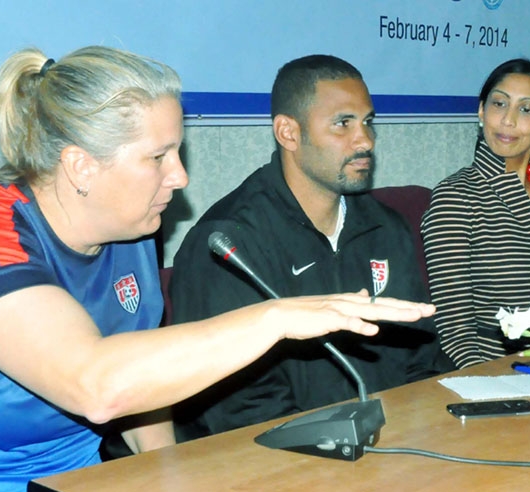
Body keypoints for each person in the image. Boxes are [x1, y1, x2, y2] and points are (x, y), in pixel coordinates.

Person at [0, 46, 434, 492]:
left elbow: (142, 389)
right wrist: (276, 317)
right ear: (80, 165)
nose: (181, 177)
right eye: (158, 157)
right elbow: (98, 386)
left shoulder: (132, 231)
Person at [170, 55, 450, 440]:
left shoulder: (386, 227)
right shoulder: (229, 243)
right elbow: (237, 407)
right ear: (288, 133)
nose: (365, 140)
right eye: (342, 124)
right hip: (282, 462)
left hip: (394, 446)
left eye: (368, 122)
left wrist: (415, 430)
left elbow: (423, 358)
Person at [421, 58, 530, 369]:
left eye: (526, 109)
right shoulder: (455, 197)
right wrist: (494, 385)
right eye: (499, 104)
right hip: (491, 366)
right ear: (482, 112)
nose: (508, 120)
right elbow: (455, 331)